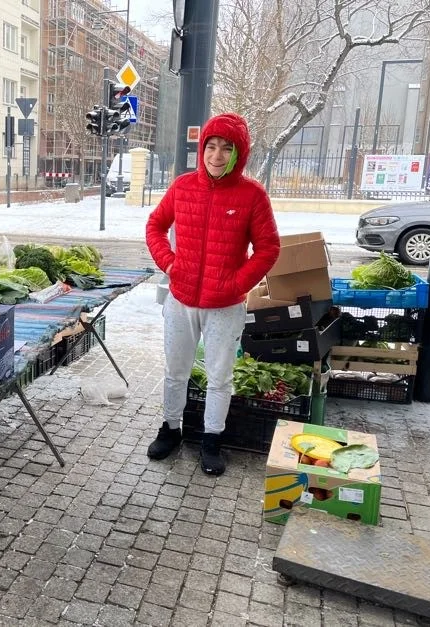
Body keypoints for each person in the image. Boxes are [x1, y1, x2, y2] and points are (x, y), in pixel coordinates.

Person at [145, 112, 280, 476]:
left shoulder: (252, 196)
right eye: (211, 146)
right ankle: (171, 429)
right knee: (176, 371)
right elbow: (155, 225)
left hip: (224, 306)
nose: (216, 155)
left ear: (239, 154)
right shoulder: (183, 187)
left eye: (226, 148)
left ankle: (211, 440)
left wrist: (236, 284)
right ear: (202, 148)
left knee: (220, 377)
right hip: (180, 300)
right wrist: (169, 264)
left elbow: (268, 248)